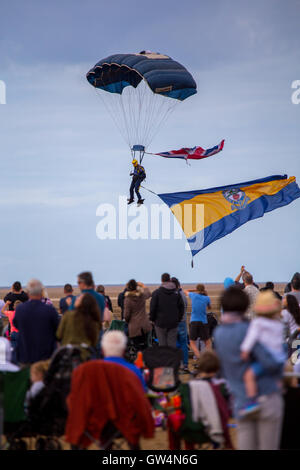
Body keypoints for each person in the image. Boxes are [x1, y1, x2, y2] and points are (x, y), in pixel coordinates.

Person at [214, 286, 284, 450]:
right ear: (246, 306)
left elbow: (223, 369)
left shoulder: (218, 333)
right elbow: (270, 362)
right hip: (266, 396)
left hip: (241, 401)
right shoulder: (249, 329)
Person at [240, 290, 285, 416]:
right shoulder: (278, 323)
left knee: (248, 375)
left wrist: (244, 351)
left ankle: (252, 401)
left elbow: (251, 339)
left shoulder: (257, 323)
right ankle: (279, 388)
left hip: (265, 359)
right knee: (276, 377)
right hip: (279, 359)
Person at [13, 279, 60, 366]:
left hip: (25, 357)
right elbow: (57, 331)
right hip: (45, 358)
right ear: (41, 292)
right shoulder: (50, 310)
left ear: (28, 293)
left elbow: (16, 324)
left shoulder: (20, 310)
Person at [57, 293, 101, 359]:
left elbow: (59, 335)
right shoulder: (94, 319)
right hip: (86, 355)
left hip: (69, 355)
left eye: (79, 299)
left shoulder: (69, 315)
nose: (76, 299)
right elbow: (94, 341)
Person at [150, 273, 184, 348]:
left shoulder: (157, 293)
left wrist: (152, 319)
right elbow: (182, 307)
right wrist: (178, 319)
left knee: (162, 345)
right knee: (172, 345)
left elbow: (152, 307)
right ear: (169, 280)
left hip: (160, 323)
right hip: (173, 323)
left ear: (162, 280)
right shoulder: (176, 293)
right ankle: (172, 359)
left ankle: (165, 359)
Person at [185, 284, 211, 359]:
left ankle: (199, 357)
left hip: (194, 321)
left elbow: (185, 291)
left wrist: (194, 290)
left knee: (192, 342)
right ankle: (205, 357)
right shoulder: (207, 298)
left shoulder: (193, 295)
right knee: (207, 342)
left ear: (197, 290)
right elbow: (209, 307)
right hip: (203, 322)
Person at [123, 280, 152, 350]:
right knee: (145, 346)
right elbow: (148, 293)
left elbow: (126, 315)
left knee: (137, 348)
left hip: (134, 327)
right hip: (144, 326)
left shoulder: (128, 299)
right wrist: (143, 285)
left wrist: (127, 321)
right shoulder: (142, 296)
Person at [172, 277, 189, 374]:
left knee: (174, 343)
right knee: (183, 344)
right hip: (182, 321)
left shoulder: (171, 294)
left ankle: (177, 364)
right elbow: (185, 306)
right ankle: (185, 364)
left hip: (174, 322)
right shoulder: (182, 294)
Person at [1, 299, 22, 363]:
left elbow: (2, 311)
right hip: (21, 334)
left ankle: (15, 362)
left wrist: (7, 304)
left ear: (14, 307)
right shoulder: (23, 314)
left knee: (13, 349)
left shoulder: (10, 313)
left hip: (13, 333)